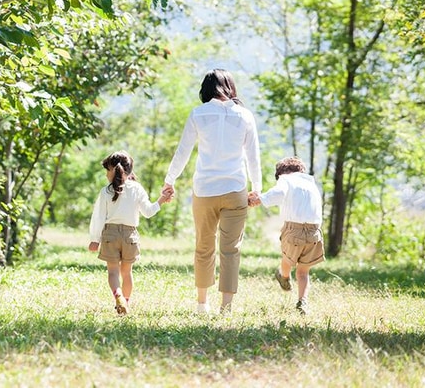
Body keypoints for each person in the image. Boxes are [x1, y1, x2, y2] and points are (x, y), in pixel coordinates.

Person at [162, 69, 261, 314]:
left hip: (204, 190)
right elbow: (253, 156)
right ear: (230, 87)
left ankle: (202, 304)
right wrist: (257, 189)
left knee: (203, 246)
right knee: (231, 249)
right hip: (235, 189)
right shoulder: (245, 116)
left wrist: (169, 180)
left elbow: (183, 151)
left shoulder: (198, 114)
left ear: (205, 89)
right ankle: (226, 307)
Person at [88, 150, 172, 315]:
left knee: (113, 272)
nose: (106, 174)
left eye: (107, 170)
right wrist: (161, 199)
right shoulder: (137, 188)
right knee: (127, 273)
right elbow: (148, 212)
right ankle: (125, 302)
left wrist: (94, 239)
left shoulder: (106, 191)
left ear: (114, 170)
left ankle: (118, 296)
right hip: (130, 236)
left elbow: (98, 217)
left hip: (110, 235)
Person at [248, 156, 324, 314]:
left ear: (281, 173)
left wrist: (260, 199)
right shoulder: (311, 184)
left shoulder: (285, 180)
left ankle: (283, 276)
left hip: (293, 229)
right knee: (303, 271)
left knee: (287, 258)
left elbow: (278, 193)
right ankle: (303, 302)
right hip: (314, 231)